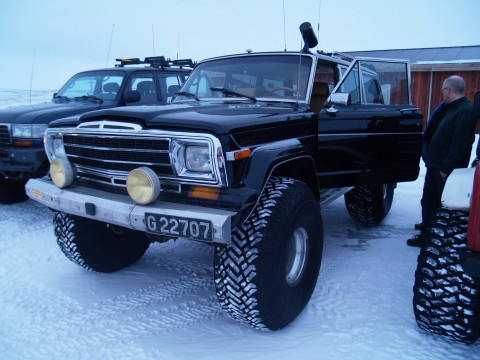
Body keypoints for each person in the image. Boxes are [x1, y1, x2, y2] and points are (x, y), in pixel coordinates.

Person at [407, 75, 476, 247]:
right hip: (436, 165)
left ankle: (430, 238)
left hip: (445, 168)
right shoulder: (451, 108)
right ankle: (428, 226)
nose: (442, 93)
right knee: (428, 200)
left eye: (443, 90)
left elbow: (460, 144)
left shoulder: (465, 111)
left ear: (449, 90)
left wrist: (446, 167)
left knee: (436, 203)